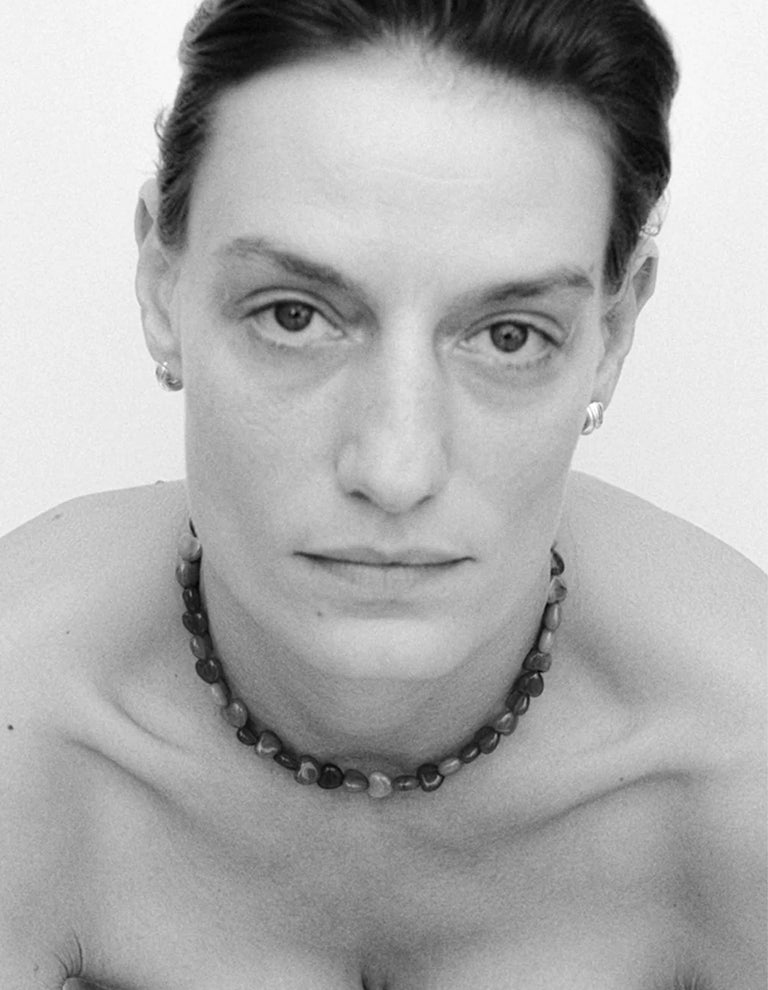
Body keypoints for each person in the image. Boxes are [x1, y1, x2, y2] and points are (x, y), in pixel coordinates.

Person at [1, 0, 765, 987]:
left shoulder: (745, 762)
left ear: (610, 335)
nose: (396, 471)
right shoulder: (23, 728)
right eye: (293, 316)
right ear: (161, 284)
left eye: (510, 336)